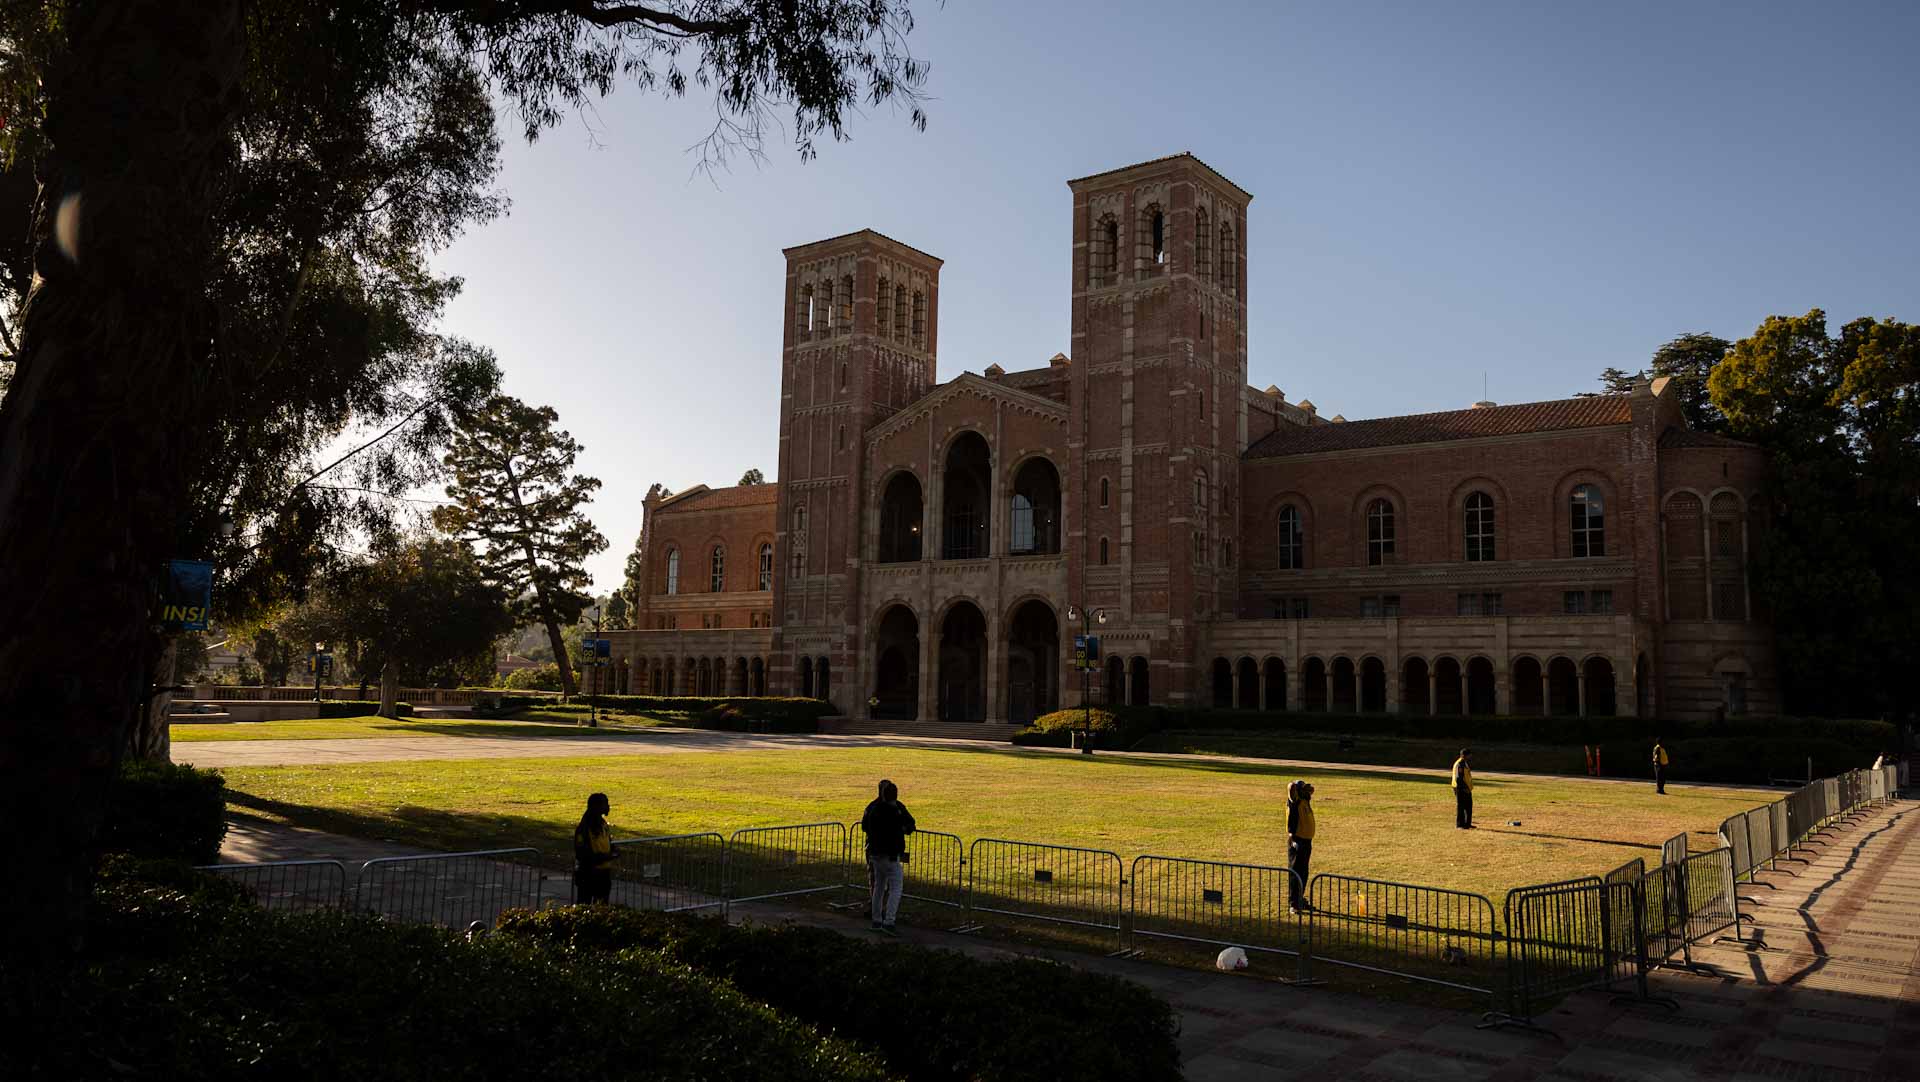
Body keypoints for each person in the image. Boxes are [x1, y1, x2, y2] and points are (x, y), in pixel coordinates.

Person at [859, 778, 916, 934]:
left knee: (878, 887)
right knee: (896, 888)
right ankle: (889, 921)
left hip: (875, 853)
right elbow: (909, 824)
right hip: (890, 855)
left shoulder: (873, 809)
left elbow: (865, 826)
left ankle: (876, 920)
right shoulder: (896, 810)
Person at [572, 792, 617, 904]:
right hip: (588, 874)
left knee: (602, 906)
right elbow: (582, 853)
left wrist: (614, 851)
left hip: (604, 873)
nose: (608, 806)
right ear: (596, 806)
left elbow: (608, 843)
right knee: (584, 904)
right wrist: (604, 857)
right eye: (605, 803)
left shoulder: (603, 825)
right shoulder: (585, 827)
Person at [1285, 780, 1315, 914]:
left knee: (1304, 872)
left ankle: (1299, 899)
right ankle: (1293, 904)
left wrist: (1305, 787)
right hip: (1297, 841)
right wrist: (1296, 786)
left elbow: (1312, 789)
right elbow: (1290, 787)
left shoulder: (1305, 800)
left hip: (1306, 841)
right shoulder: (1294, 801)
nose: (1307, 792)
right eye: (1303, 789)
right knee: (1295, 872)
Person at [1451, 748, 1474, 829]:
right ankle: (1460, 824)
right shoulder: (1460, 764)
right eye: (1469, 755)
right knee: (1461, 806)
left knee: (1468, 806)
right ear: (1464, 755)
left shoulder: (1464, 763)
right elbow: (1459, 778)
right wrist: (1465, 788)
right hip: (1460, 788)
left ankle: (1467, 824)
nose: (1470, 756)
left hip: (1466, 788)